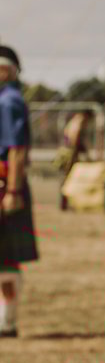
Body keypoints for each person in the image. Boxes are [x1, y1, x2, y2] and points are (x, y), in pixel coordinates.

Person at [0, 45, 38, 337]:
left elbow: (16, 150)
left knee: (6, 255)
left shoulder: (8, 102)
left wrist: (12, 190)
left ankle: (6, 321)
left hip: (4, 185)